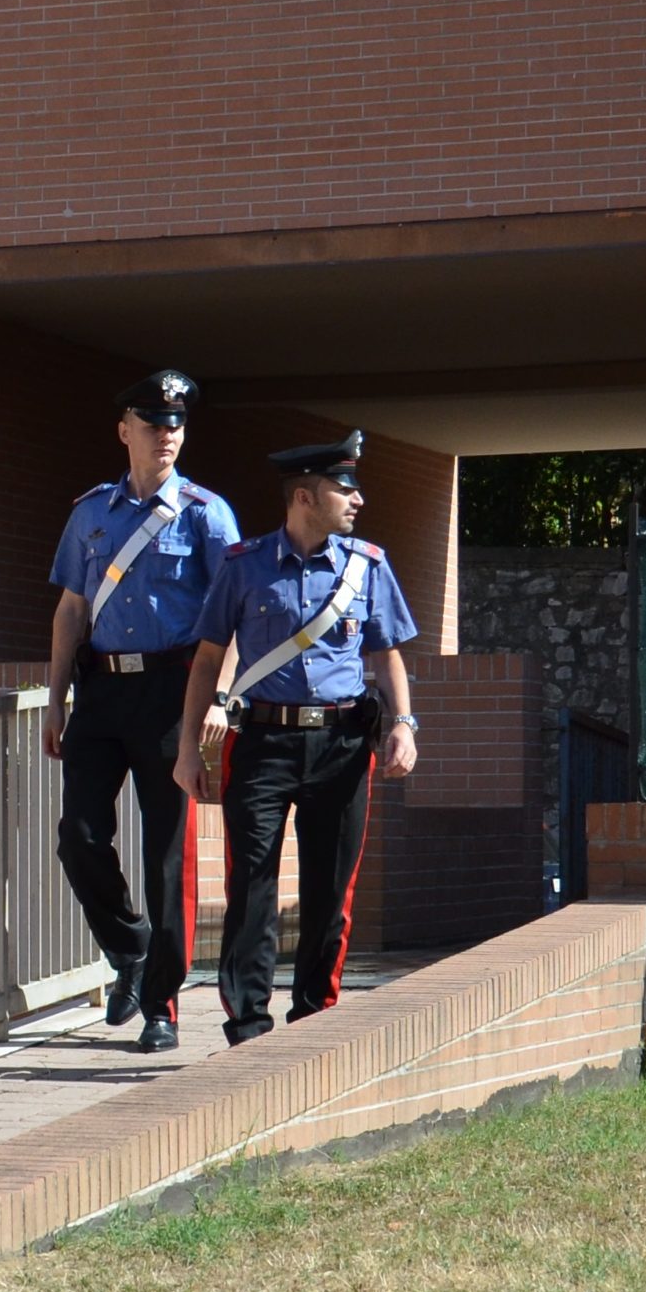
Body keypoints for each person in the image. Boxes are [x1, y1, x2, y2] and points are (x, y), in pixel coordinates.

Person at [174, 431, 420, 1046]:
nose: (358, 499)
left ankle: (314, 1015)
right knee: (251, 884)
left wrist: (404, 724)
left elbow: (386, 654)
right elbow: (208, 660)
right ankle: (248, 1023)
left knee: (329, 888)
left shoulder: (367, 565)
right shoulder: (244, 565)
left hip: (341, 746)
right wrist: (187, 749)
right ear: (305, 497)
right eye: (345, 489)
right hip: (261, 742)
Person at [43, 369, 243, 1054]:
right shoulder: (91, 513)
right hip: (101, 691)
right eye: (154, 424)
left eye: (176, 425)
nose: (167, 435)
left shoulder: (206, 514)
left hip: (172, 691)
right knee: (79, 837)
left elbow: (232, 615)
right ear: (124, 430)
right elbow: (71, 610)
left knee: (166, 855)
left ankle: (163, 1005)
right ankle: (131, 949)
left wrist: (220, 698)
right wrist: (55, 700)